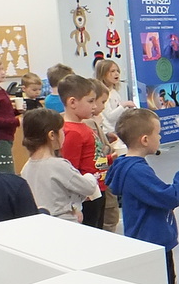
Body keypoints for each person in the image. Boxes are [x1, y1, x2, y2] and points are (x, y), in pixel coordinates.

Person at [105, 108, 179, 284]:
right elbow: (170, 197)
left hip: (145, 240)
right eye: (157, 134)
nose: (160, 138)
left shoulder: (127, 165)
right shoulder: (137, 171)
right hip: (153, 243)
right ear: (144, 140)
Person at [20, 108, 99, 222]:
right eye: (62, 130)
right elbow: (88, 187)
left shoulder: (26, 168)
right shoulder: (59, 165)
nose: (64, 134)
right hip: (63, 221)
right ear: (52, 135)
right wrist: (90, 177)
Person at [57, 75, 103, 228]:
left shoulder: (84, 126)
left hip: (96, 189)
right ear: (73, 102)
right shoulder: (72, 132)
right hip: (86, 197)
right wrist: (75, 205)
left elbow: (92, 156)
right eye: (90, 101)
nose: (94, 106)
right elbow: (70, 170)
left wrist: (109, 159)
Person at [87, 80, 119, 231]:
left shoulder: (94, 122)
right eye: (102, 102)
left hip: (102, 176)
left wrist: (105, 136)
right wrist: (110, 155)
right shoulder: (90, 124)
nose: (103, 106)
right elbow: (97, 154)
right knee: (108, 216)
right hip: (99, 178)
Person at [94, 59, 135, 140]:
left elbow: (117, 112)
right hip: (108, 134)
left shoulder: (114, 92)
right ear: (103, 74)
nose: (116, 74)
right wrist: (124, 105)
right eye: (112, 71)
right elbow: (110, 116)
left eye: (117, 71)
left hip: (116, 131)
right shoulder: (104, 94)